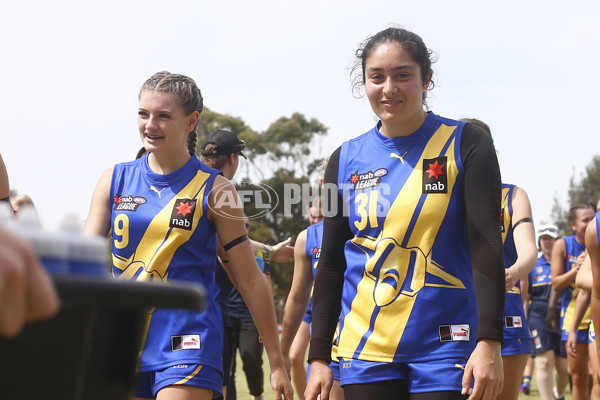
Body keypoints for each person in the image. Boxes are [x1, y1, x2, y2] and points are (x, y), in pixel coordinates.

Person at [306, 27, 505, 400]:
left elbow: (486, 244)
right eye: (376, 77)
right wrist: (319, 357)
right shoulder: (342, 159)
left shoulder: (466, 143)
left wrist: (490, 340)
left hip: (448, 343)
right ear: (364, 82)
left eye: (402, 75)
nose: (389, 88)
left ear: (426, 79)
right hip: (365, 348)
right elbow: (331, 262)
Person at [82, 71, 293, 400]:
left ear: (191, 121)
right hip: (124, 338)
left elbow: (249, 278)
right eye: (143, 114)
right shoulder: (114, 180)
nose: (150, 125)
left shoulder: (215, 189)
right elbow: (82, 261)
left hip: (188, 339)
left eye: (163, 116)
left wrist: (277, 360)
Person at [199, 128, 294, 400]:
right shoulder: (221, 193)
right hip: (211, 308)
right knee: (220, 377)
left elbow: (229, 243)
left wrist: (268, 250)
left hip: (198, 309)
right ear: (233, 158)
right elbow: (233, 257)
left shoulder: (190, 183)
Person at [461, 118, 538, 400]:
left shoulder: (514, 195)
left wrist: (514, 271)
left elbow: (529, 251)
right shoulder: (439, 196)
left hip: (506, 312)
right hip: (451, 314)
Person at [281, 195, 345, 400]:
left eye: (319, 216)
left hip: (358, 329)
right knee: (295, 355)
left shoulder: (365, 227)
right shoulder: (308, 238)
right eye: (312, 216)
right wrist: (280, 350)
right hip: (317, 309)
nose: (315, 220)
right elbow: (296, 296)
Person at [551, 203, 596, 400]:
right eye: (585, 220)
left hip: (595, 313)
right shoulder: (563, 245)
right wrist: (575, 271)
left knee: (596, 375)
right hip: (572, 316)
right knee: (578, 377)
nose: (590, 223)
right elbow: (555, 284)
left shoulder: (596, 242)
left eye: (593, 218)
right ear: (573, 224)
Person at [526, 224, 569, 400]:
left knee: (563, 368)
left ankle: (558, 394)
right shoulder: (533, 265)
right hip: (537, 317)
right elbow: (526, 297)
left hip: (564, 317)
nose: (547, 242)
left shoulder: (567, 264)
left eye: (551, 238)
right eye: (544, 239)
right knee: (544, 362)